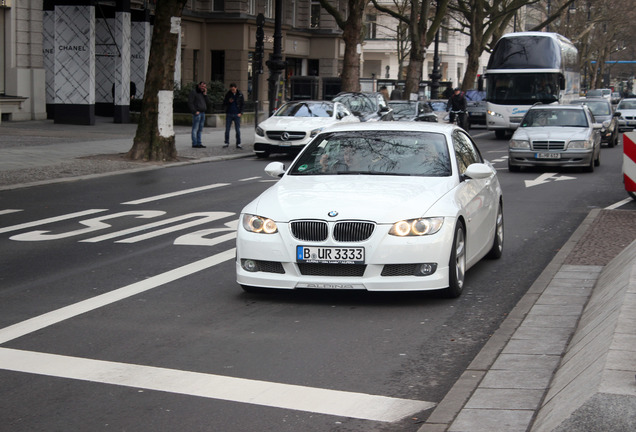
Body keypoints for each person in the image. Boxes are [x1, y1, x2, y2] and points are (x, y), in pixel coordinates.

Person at [222, 83, 245, 149]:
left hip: (236, 113)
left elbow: (242, 104)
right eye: (231, 89)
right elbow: (224, 103)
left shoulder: (240, 94)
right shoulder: (228, 94)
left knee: (237, 129)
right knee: (227, 129)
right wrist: (228, 101)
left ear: (236, 88)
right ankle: (226, 142)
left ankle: (238, 143)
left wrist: (241, 112)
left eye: (233, 89)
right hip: (229, 113)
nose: (232, 91)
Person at [188, 81, 209, 148]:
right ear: (199, 86)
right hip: (197, 113)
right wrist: (194, 111)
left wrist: (205, 95)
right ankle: (195, 143)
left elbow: (208, 102)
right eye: (202, 86)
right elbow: (190, 103)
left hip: (203, 112)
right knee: (195, 128)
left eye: (204, 87)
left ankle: (199, 142)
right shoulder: (194, 92)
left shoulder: (203, 94)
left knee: (200, 129)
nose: (203, 88)